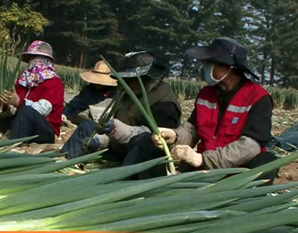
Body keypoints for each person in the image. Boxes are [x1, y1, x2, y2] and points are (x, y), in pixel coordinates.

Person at [151, 37, 279, 185]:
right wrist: (174, 136)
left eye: (210, 63)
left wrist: (203, 159)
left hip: (237, 171)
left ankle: (243, 201)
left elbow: (249, 147)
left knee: (267, 162)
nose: (204, 67)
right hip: (204, 168)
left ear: (228, 68)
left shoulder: (257, 98)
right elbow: (192, 130)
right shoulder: (207, 94)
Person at [61, 51, 182, 166]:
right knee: (87, 125)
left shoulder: (165, 105)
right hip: (117, 146)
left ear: (147, 79)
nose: (124, 83)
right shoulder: (128, 94)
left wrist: (115, 129)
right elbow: (115, 130)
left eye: (130, 79)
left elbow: (152, 140)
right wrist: (99, 140)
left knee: (145, 141)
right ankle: (64, 164)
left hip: (140, 157)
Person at [0, 40, 65, 144]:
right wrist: (5, 106)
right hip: (20, 123)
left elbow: (43, 109)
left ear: (47, 61)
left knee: (27, 111)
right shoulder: (24, 81)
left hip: (44, 130)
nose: (33, 63)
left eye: (38, 59)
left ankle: (12, 146)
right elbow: (15, 110)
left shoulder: (54, 82)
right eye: (32, 59)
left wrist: (18, 102)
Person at [62, 60, 118, 125]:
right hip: (94, 125)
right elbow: (75, 105)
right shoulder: (89, 91)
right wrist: (64, 113)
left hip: (114, 127)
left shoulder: (116, 92)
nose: (97, 83)